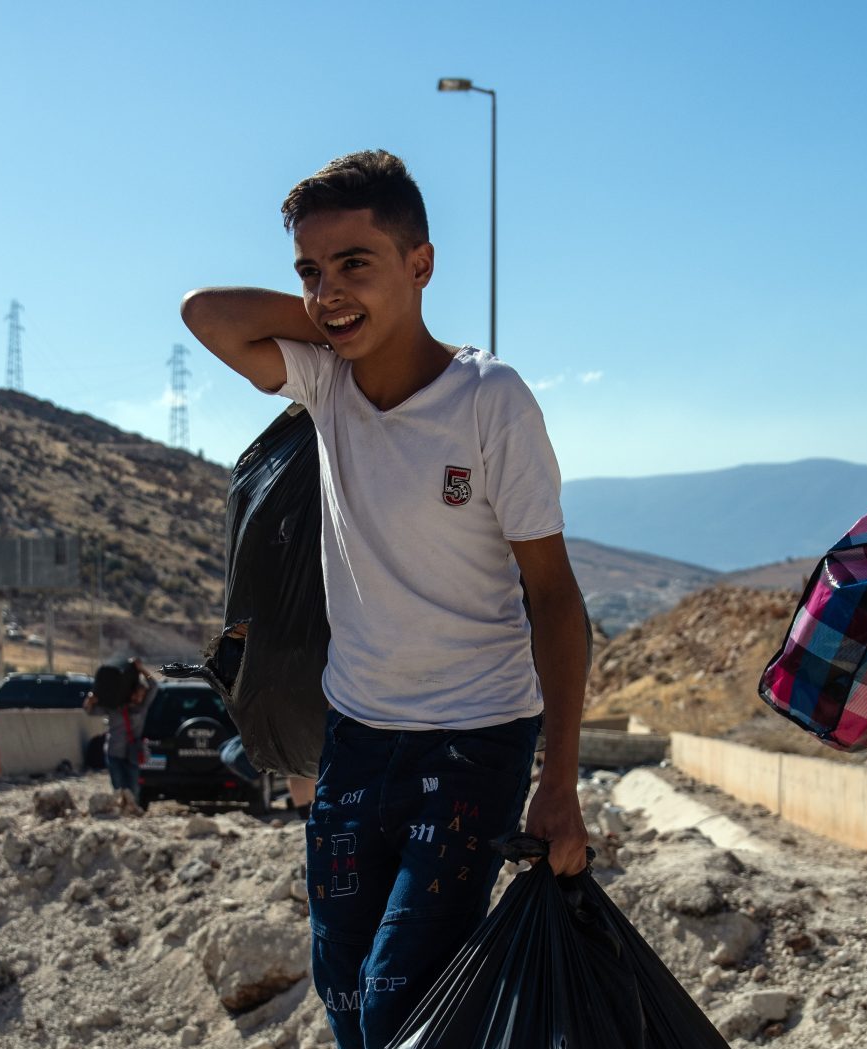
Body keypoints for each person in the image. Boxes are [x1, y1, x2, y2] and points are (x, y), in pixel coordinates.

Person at [180, 149, 590, 1049]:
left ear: (422, 264)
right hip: (355, 737)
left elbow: (556, 598)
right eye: (309, 270)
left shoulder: (490, 401)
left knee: (398, 995)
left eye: (354, 261)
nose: (326, 288)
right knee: (349, 1000)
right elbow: (205, 315)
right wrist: (340, 313)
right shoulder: (326, 380)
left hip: (475, 738)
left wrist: (557, 782)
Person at [86, 659, 150, 808]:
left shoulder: (142, 708)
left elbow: (154, 686)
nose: (138, 698)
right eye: (135, 694)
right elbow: (91, 711)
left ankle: (133, 812)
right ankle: (122, 813)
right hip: (114, 752)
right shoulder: (114, 707)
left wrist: (141, 670)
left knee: (134, 788)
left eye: (141, 695)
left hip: (133, 753)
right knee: (118, 787)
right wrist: (90, 700)